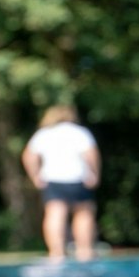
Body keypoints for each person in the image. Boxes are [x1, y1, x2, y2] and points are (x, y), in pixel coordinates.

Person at [21, 105, 101, 262]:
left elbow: (28, 156)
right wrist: (95, 174)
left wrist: (35, 176)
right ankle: (84, 251)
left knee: (55, 213)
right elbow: (92, 155)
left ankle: (56, 252)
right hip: (78, 177)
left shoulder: (43, 134)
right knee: (83, 213)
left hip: (53, 178)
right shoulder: (79, 132)